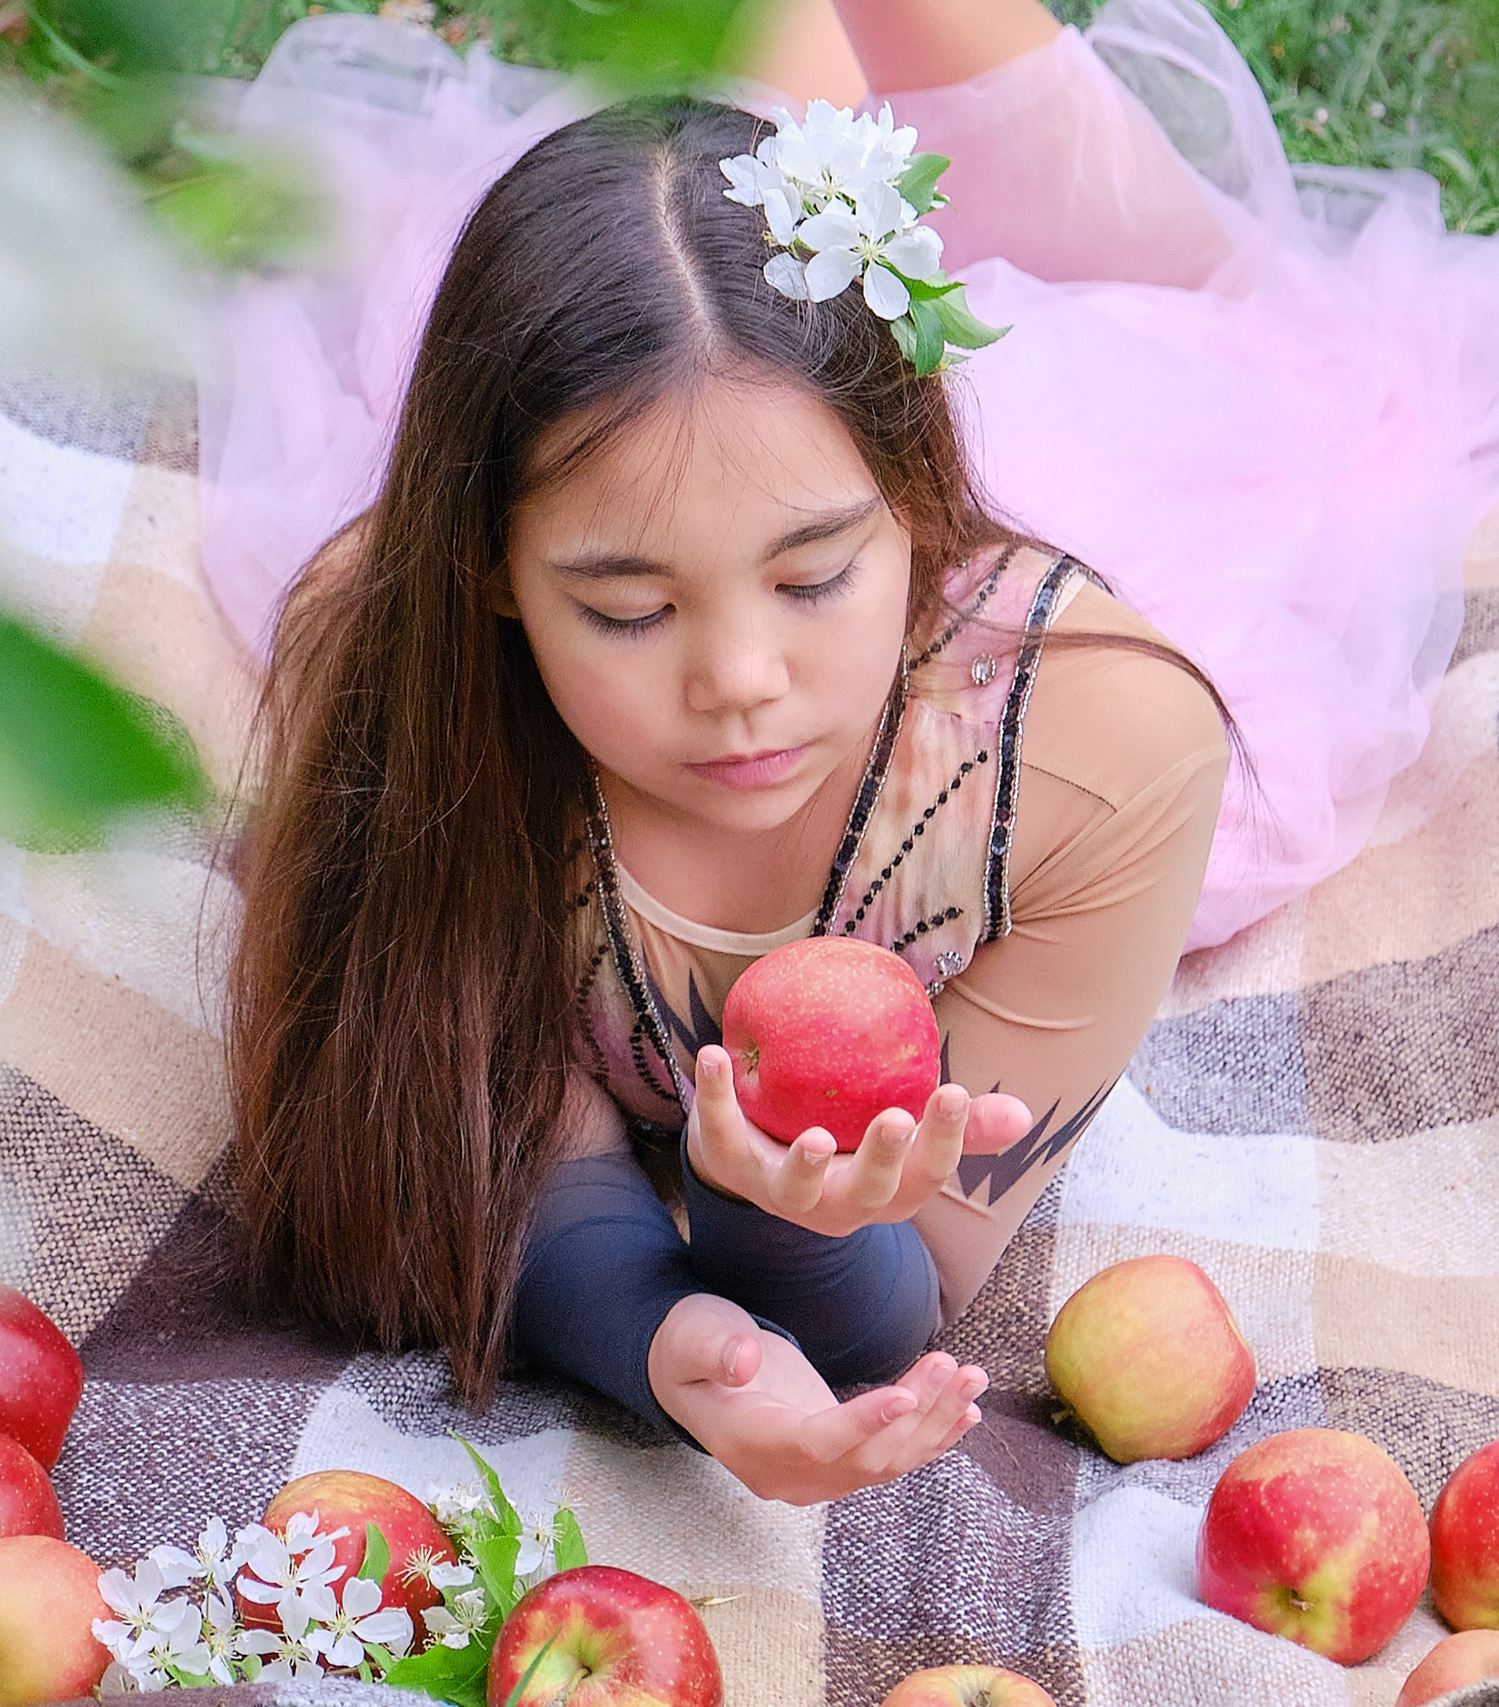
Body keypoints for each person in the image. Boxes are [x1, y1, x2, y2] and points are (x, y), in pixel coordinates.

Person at [217, 0, 1499, 1504]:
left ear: (917, 506)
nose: (743, 686)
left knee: (1255, 334)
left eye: (816, 579)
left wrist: (789, 1219)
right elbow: (491, 1145)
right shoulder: (403, 675)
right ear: (496, 575)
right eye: (626, 610)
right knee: (706, 236)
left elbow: (926, 1274)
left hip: (1093, 508)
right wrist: (672, 1337)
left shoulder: (1101, 756)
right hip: (690, 464)